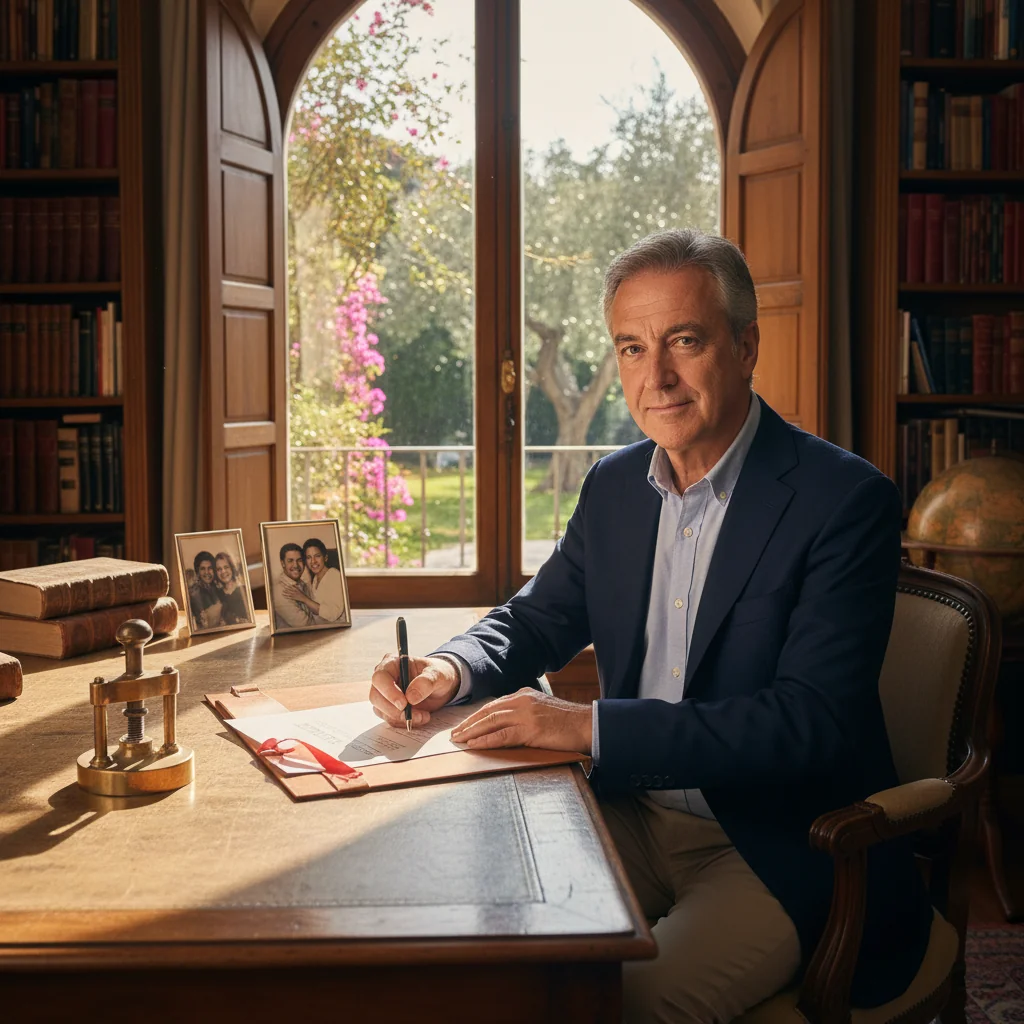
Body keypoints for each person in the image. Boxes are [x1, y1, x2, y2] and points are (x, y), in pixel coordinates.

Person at [368, 229, 932, 1023]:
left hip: (778, 847)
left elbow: (810, 723)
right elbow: (539, 616)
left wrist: (588, 726)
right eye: (631, 348)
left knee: (620, 1005)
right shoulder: (615, 486)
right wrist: (448, 668)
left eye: (685, 341)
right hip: (626, 813)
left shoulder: (844, 501)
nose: (655, 377)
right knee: (466, 946)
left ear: (746, 346)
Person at [280, 538, 347, 624]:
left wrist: (304, 599)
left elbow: (332, 614)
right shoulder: (315, 579)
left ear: (325, 558)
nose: (313, 561)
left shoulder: (334, 575)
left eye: (317, 556)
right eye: (309, 557)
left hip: (337, 630)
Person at [270, 543, 315, 630]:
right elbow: (305, 625)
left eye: (299, 560)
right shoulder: (279, 591)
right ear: (283, 563)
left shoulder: (303, 585)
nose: (296, 565)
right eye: (290, 561)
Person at [188, 550, 223, 630]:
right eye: (203, 569)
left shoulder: (216, 588)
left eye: (210, 568)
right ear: (198, 571)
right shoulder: (195, 594)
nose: (207, 572)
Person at [214, 551, 250, 626]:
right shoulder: (217, 594)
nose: (223, 571)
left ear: (232, 568)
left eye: (226, 567)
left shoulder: (244, 590)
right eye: (219, 569)